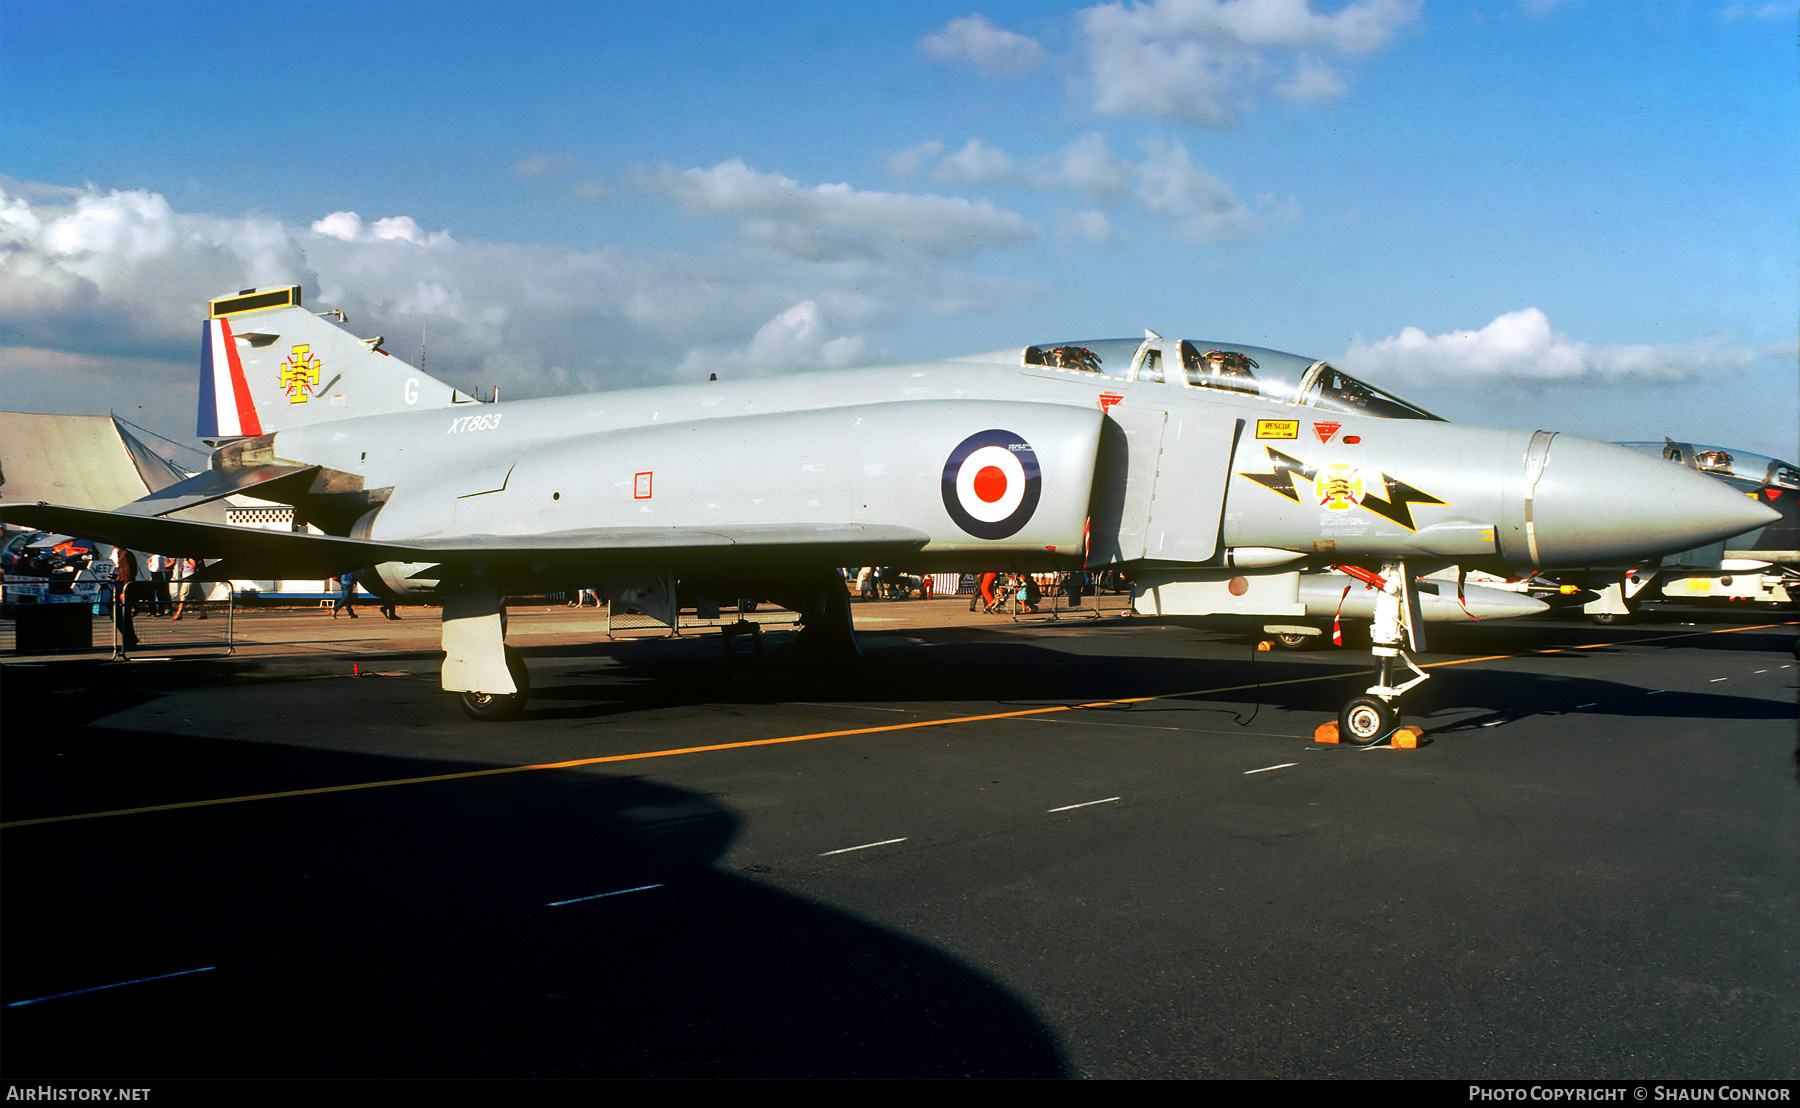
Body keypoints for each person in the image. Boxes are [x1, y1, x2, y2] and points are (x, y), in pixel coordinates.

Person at [113, 547, 140, 651]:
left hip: (126, 587)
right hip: (126, 585)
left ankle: (130, 639)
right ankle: (130, 638)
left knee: (120, 614)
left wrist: (124, 590)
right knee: (123, 615)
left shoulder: (125, 554)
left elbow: (127, 572)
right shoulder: (124, 553)